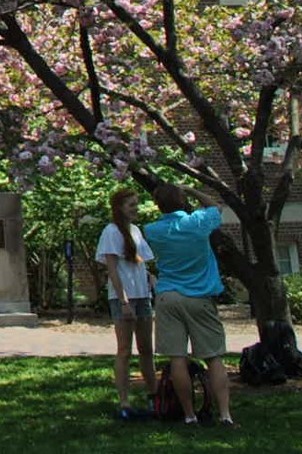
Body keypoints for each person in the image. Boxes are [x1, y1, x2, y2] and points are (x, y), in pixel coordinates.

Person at [141, 183, 236, 427]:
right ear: (182, 202)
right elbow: (215, 206)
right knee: (213, 357)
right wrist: (192, 191)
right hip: (199, 297)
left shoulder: (151, 230)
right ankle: (224, 414)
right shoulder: (197, 223)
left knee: (177, 358)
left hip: (167, 296)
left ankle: (189, 415)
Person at [96, 187, 157, 419]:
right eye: (131, 204)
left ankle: (154, 396)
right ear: (119, 207)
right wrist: (123, 301)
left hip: (143, 296)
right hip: (124, 298)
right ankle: (124, 401)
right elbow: (112, 267)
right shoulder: (111, 231)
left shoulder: (136, 231)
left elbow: (142, 262)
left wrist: (150, 278)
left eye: (136, 203)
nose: (136, 208)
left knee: (146, 350)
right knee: (124, 350)